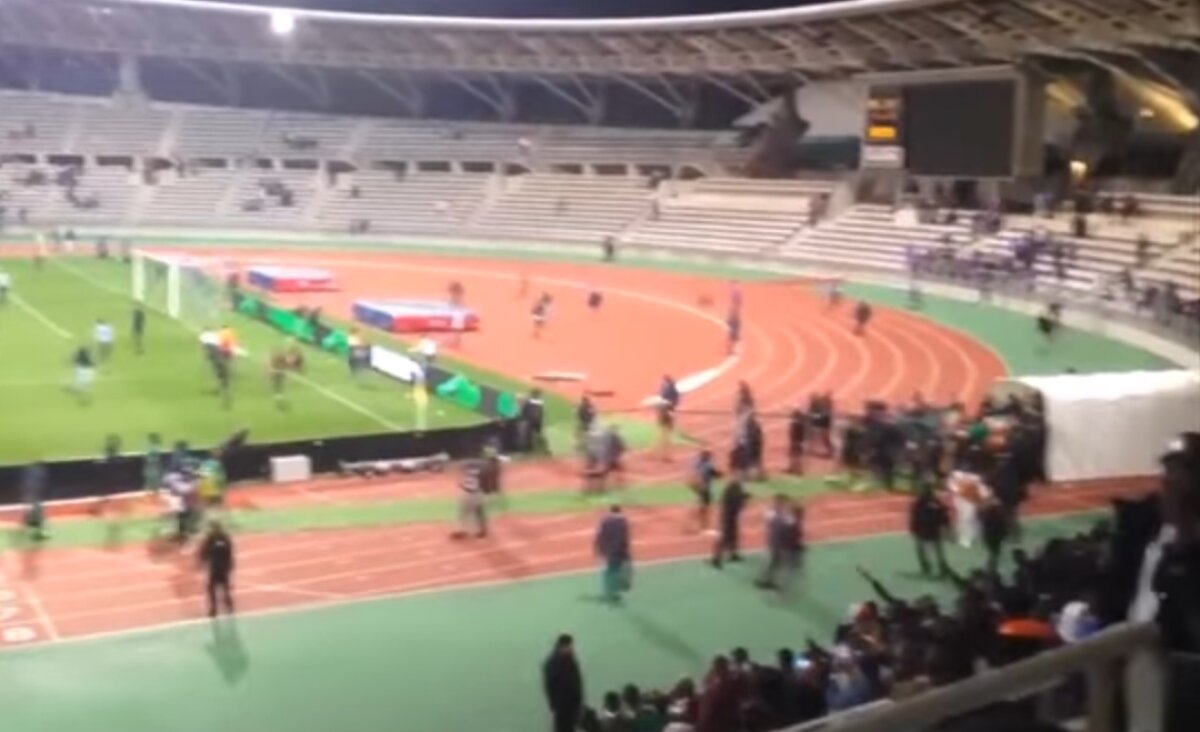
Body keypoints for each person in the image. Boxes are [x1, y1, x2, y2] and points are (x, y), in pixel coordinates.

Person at [543, 634, 585, 732]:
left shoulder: (570, 660)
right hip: (562, 705)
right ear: (562, 646)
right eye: (569, 646)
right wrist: (554, 704)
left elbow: (577, 681)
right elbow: (549, 686)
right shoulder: (553, 662)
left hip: (572, 705)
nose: (571, 648)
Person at [909, 486, 952, 577]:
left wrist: (914, 529)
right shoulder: (936, 502)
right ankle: (941, 567)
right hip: (933, 529)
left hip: (924, 530)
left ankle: (928, 567)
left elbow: (914, 517)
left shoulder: (918, 503)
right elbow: (943, 514)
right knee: (938, 550)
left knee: (923, 550)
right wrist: (947, 526)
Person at [594, 505, 632, 604]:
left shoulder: (605, 522)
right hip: (620, 551)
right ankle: (621, 587)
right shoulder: (623, 523)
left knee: (610, 572)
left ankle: (610, 591)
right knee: (624, 569)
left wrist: (600, 550)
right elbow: (624, 539)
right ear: (619, 512)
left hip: (608, 552)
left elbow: (599, 537)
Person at [197, 520, 235, 617]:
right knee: (223, 587)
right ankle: (227, 606)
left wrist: (201, 562)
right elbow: (230, 552)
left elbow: (203, 552)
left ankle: (215, 609)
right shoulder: (224, 538)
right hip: (223, 567)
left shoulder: (210, 539)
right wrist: (231, 565)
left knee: (213, 588)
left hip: (216, 567)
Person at [710, 479, 748, 568]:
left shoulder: (731, 492)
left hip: (731, 517)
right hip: (727, 518)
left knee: (733, 536)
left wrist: (743, 498)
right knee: (724, 537)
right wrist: (744, 500)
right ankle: (716, 558)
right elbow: (739, 504)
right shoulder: (733, 493)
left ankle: (732, 553)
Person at [451, 457, 487, 539]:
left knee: (463, 513)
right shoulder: (481, 472)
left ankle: (462, 530)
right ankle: (482, 530)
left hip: (468, 494)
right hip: (478, 493)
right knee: (479, 513)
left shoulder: (467, 473)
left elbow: (461, 483)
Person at [690, 449, 722, 532]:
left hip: (697, 486)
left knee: (702, 505)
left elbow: (694, 474)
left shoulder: (697, 462)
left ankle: (698, 524)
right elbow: (717, 475)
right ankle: (703, 525)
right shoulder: (708, 465)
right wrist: (721, 472)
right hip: (704, 488)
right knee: (705, 507)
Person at [657, 375, 680, 461]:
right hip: (667, 412)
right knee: (666, 434)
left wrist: (666, 408)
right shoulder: (673, 390)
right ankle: (666, 455)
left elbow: (668, 402)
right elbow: (675, 403)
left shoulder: (667, 390)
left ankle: (666, 455)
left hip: (666, 413)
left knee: (664, 434)